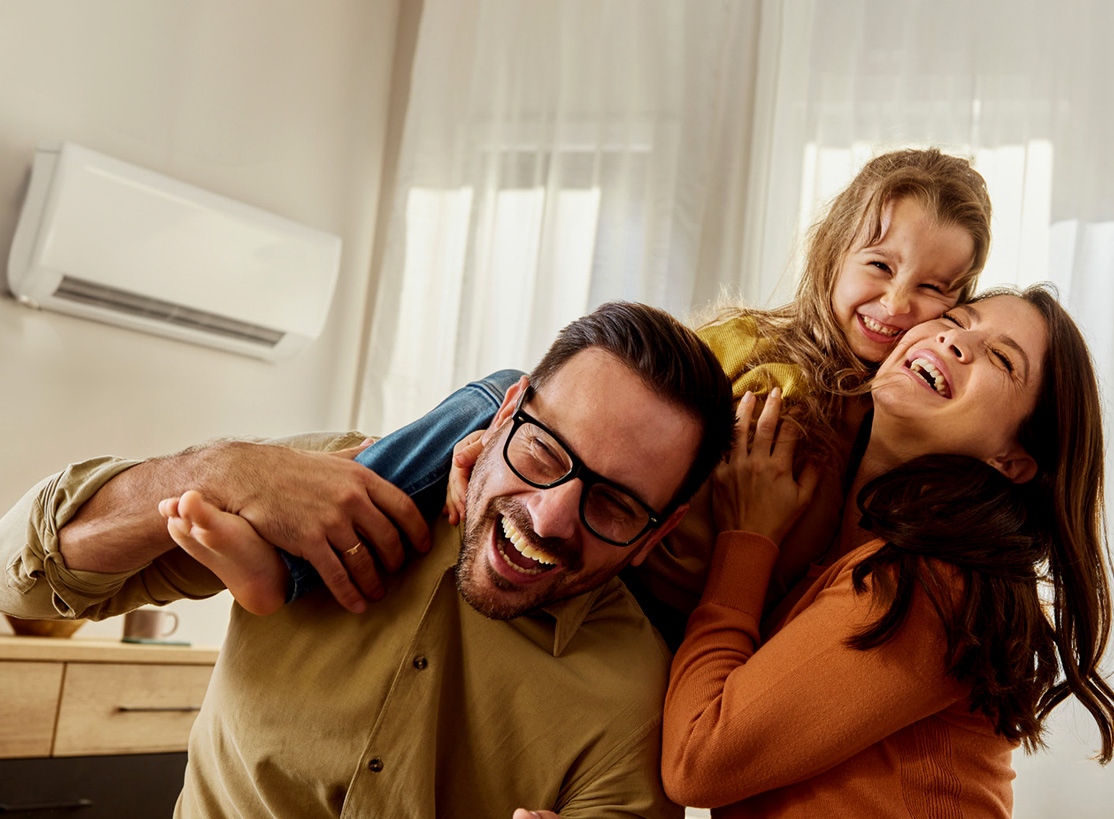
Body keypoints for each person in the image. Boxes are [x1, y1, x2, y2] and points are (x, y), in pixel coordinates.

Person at [215, 147, 994, 635]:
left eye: (932, 288)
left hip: (670, 601)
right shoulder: (754, 344)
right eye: (881, 267)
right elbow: (607, 399)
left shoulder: (884, 417)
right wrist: (501, 450)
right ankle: (292, 566)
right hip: (615, 537)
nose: (897, 306)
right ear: (834, 253)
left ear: (960, 303)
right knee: (499, 396)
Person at [0, 302, 735, 819]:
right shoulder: (325, 487)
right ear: (504, 413)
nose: (550, 517)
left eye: (615, 505)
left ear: (654, 533)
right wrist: (220, 471)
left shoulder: (635, 702)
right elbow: (19, 580)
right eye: (544, 450)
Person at [660, 286, 1114, 817]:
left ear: (1012, 458)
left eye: (1000, 358)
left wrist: (745, 540)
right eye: (955, 318)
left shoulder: (939, 581)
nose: (954, 339)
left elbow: (696, 761)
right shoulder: (844, 548)